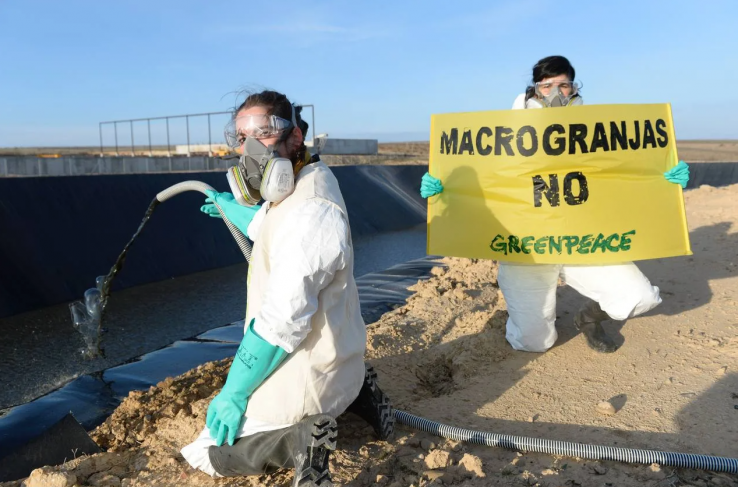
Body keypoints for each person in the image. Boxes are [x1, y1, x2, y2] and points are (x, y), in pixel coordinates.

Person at [181, 90, 394, 486]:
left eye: (262, 133)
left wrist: (233, 394)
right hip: (337, 361)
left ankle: (298, 440)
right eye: (241, 138)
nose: (249, 149)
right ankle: (357, 393)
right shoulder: (306, 180)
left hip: (308, 377)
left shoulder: (311, 211)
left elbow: (280, 324)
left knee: (208, 452)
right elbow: (272, 229)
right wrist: (234, 208)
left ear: (295, 137)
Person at [421, 56, 690, 354]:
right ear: (535, 89)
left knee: (640, 296)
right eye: (547, 85)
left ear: (573, 88)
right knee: (534, 342)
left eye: (564, 85)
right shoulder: (503, 132)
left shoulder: (594, 129)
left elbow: (623, 172)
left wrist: (663, 176)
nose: (556, 92)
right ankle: (523, 315)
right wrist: (443, 186)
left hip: (583, 241)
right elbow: (481, 178)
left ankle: (588, 317)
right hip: (527, 250)